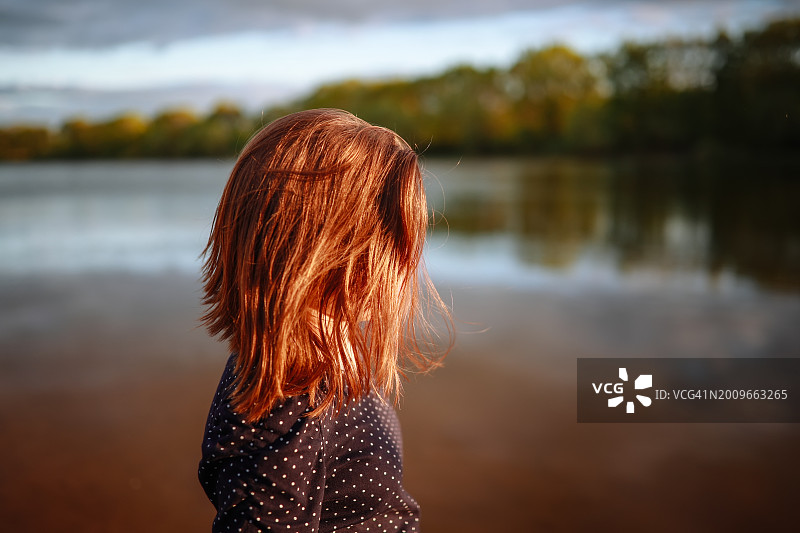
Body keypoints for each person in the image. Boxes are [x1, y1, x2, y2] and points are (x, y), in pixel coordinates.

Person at [198, 108, 452, 532]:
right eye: (398, 242)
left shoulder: (321, 353)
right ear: (333, 253)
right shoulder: (289, 400)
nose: (409, 264)